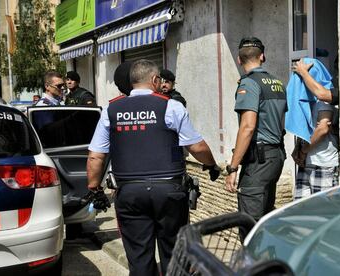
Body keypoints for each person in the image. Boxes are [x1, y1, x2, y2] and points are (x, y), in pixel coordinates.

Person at [86, 59, 220, 276]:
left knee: (139, 258)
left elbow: (95, 157)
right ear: (155, 80)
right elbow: (197, 146)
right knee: (175, 254)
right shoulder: (171, 105)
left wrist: (94, 189)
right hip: (169, 193)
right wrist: (211, 164)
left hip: (129, 193)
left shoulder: (111, 109)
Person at [225, 37, 287, 224]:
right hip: (275, 156)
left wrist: (233, 167)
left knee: (249, 223)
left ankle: (252, 254)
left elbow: (248, 127)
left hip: (258, 160)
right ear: (263, 57)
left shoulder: (249, 84)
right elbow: (280, 121)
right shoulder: (278, 83)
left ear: (239, 59)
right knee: (265, 217)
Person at [292, 99, 339, 199]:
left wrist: (303, 150)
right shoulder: (308, 100)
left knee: (321, 209)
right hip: (307, 162)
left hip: (323, 163)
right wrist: (298, 147)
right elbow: (307, 128)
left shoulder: (323, 101)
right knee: (301, 207)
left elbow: (323, 129)